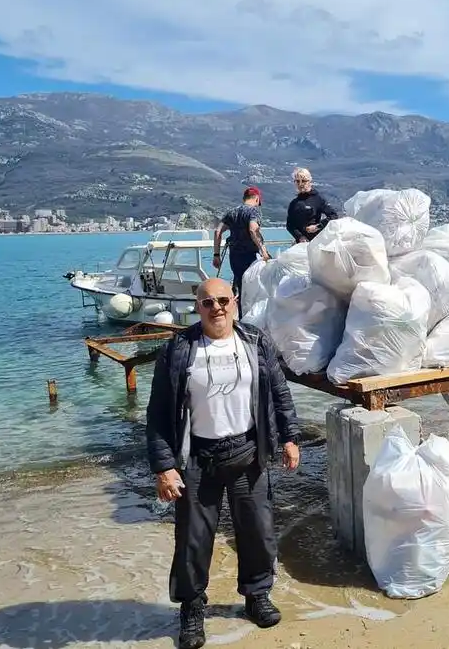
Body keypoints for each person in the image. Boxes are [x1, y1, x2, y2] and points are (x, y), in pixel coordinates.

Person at [146, 278, 301, 649]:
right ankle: (192, 608)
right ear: (196, 307)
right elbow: (158, 414)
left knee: (257, 531)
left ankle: (257, 595)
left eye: (223, 301)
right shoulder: (178, 349)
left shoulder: (256, 341)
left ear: (235, 302)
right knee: (193, 540)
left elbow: (279, 392)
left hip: (249, 452)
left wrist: (290, 437)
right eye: (207, 303)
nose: (216, 308)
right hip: (198, 457)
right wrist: (164, 467)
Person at [213, 187, 271, 314]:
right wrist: (264, 251)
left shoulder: (232, 212)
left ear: (244, 198)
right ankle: (254, 319)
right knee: (255, 289)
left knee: (241, 287)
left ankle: (241, 318)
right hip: (250, 256)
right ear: (257, 199)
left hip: (234, 257)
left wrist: (216, 255)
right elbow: (252, 229)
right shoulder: (254, 211)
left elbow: (218, 232)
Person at [285, 167, 338, 243]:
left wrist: (317, 226)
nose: (300, 184)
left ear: (309, 181)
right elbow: (290, 225)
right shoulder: (294, 203)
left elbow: (333, 216)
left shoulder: (318, 199)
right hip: (301, 243)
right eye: (297, 181)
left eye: (303, 181)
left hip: (316, 242)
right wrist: (300, 237)